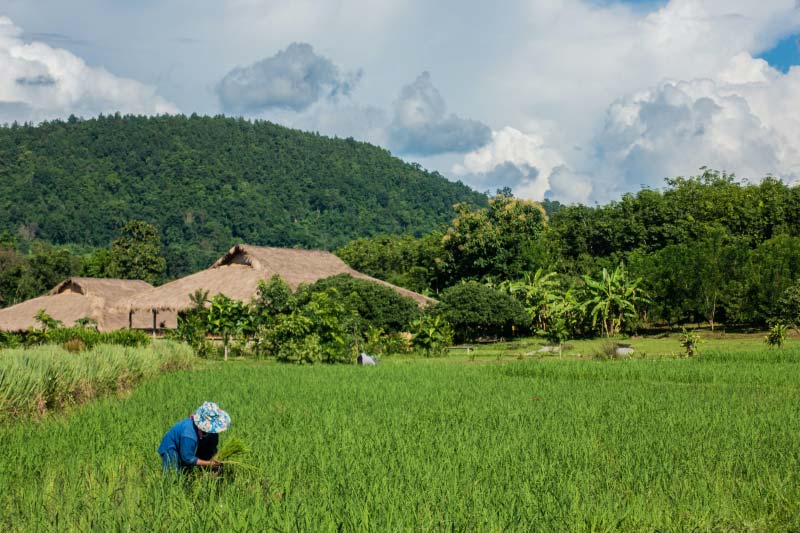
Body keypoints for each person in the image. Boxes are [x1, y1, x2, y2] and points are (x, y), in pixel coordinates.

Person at [158, 401, 230, 472]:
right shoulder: (189, 435)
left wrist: (216, 458)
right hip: (171, 447)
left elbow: (212, 448)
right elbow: (187, 458)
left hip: (192, 445)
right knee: (173, 474)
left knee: (189, 470)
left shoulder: (212, 433)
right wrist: (209, 464)